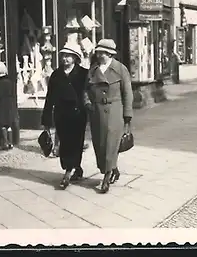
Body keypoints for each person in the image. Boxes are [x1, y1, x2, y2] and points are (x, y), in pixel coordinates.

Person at [84, 39, 133, 194]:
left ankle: (107, 176)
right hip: (96, 111)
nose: (99, 55)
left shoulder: (120, 69)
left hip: (114, 110)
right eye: (98, 52)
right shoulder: (93, 70)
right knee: (99, 143)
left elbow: (127, 93)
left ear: (110, 54)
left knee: (111, 142)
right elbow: (85, 90)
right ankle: (112, 168)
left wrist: (127, 115)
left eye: (102, 53)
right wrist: (87, 103)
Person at [41, 42, 88, 189]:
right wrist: (46, 119)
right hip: (61, 113)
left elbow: (89, 94)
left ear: (75, 58)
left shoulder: (83, 74)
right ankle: (75, 167)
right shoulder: (56, 75)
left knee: (76, 142)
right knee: (65, 142)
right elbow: (50, 97)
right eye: (63, 56)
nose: (65, 59)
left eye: (69, 56)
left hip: (78, 113)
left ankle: (69, 171)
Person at [0, 62, 15, 151]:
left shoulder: (1, 82)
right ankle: (11, 143)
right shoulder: (9, 81)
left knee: (2, 124)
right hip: (9, 105)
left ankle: (5, 143)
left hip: (2, 105)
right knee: (8, 125)